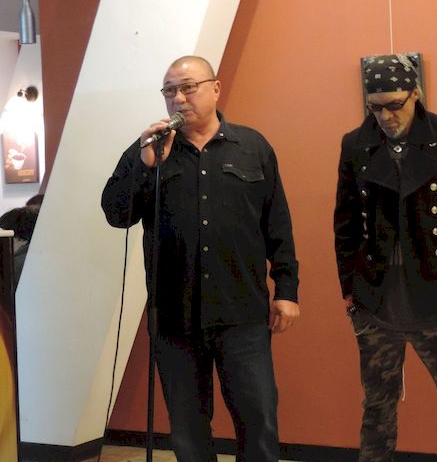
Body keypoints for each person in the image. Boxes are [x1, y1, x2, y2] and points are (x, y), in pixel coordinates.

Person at [101, 55, 299, 462]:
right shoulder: (148, 149)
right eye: (169, 90)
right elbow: (117, 214)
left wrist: (287, 290)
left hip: (242, 313)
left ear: (215, 89)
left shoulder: (253, 147)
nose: (178, 98)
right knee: (188, 429)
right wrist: (145, 167)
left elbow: (277, 224)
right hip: (174, 316)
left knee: (259, 419)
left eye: (188, 88)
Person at [334, 54, 437, 461]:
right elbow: (345, 223)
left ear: (415, 94)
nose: (386, 116)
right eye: (376, 107)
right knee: (377, 407)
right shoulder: (355, 144)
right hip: (376, 296)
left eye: (395, 104)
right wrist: (350, 293)